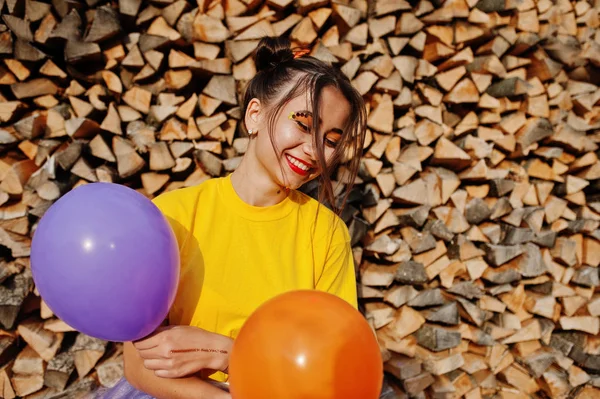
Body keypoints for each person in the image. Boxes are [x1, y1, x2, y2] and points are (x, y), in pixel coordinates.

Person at [100, 36, 367, 399]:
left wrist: (226, 351)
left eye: (332, 140)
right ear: (255, 115)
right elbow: (137, 365)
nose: (315, 150)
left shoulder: (327, 234)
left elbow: (331, 362)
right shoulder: (173, 215)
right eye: (304, 125)